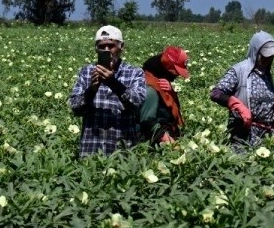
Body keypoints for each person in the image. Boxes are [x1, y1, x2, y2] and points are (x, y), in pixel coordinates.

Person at [68, 25, 147, 157]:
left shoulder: (134, 73)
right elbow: (75, 108)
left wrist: (113, 83)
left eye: (111, 46)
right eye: (101, 46)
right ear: (96, 48)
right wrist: (91, 90)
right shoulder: (86, 72)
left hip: (123, 153)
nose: (106, 50)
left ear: (121, 46)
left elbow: (137, 104)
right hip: (90, 150)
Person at [209, 31, 274, 148]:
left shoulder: (265, 73)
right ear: (255, 52)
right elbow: (216, 93)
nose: (268, 60)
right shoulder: (239, 71)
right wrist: (236, 105)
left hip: (268, 137)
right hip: (244, 136)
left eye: (271, 57)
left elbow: (265, 93)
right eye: (265, 56)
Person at [139, 46, 191, 146]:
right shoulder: (148, 85)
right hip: (157, 140)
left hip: (167, 135)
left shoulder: (161, 79)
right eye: (176, 71)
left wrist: (171, 92)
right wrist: (166, 140)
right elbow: (148, 121)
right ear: (167, 67)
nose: (177, 75)